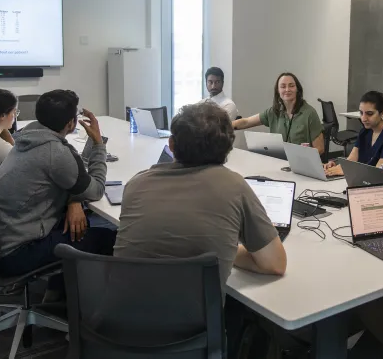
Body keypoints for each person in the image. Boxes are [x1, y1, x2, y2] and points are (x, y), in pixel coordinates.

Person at [114, 101, 287, 294]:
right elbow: (275, 264)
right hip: (191, 322)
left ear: (171, 144)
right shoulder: (234, 186)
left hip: (120, 316)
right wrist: (227, 249)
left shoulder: (135, 185)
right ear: (228, 148)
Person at [0, 89, 116, 299]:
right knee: (109, 237)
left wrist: (74, 199)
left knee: (78, 223)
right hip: (16, 252)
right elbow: (96, 189)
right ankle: (90, 311)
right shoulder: (55, 153)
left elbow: (70, 173)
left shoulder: (28, 138)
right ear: (71, 124)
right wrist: (99, 145)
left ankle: (57, 292)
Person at [232, 73, 325, 154]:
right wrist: (222, 126)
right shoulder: (274, 112)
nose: (287, 89)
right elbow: (247, 122)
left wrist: (301, 158)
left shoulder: (309, 113)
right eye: (283, 86)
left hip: (302, 166)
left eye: (291, 85)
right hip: (279, 164)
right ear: (278, 91)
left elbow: (320, 148)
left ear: (298, 89)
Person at [325, 91, 383, 176]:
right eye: (361, 113)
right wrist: (336, 166)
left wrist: (347, 170)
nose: (363, 118)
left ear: (382, 113)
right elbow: (351, 160)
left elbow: (378, 173)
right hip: (361, 179)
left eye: (369, 114)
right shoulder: (365, 132)